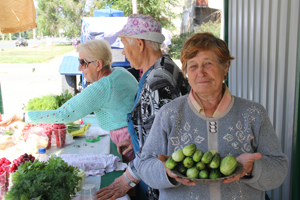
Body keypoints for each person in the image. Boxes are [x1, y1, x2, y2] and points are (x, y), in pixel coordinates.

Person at [136, 32, 289, 200]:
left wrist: (252, 168)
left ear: (225, 68)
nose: (200, 72)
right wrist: (165, 171)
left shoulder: (253, 113)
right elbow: (144, 164)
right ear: (186, 72)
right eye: (192, 66)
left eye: (208, 63)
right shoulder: (169, 114)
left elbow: (279, 169)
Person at [96, 14, 190, 200]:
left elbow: (162, 147)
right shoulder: (166, 65)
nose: (123, 51)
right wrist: (139, 136)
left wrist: (127, 179)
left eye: (124, 44)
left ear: (139, 44)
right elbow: (161, 127)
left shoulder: (158, 83)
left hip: (162, 182)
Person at [0, 39, 138, 162]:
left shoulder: (101, 87)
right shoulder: (121, 71)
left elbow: (63, 114)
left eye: (83, 63)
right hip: (136, 134)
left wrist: (21, 116)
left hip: (127, 140)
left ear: (98, 65)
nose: (79, 68)